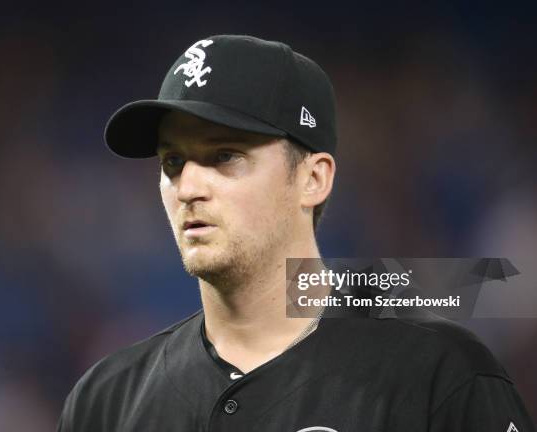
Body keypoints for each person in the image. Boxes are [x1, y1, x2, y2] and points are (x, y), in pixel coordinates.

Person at [56, 34, 534, 432]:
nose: (188, 187)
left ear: (314, 178)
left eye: (225, 155)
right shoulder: (105, 401)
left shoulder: (441, 376)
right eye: (173, 162)